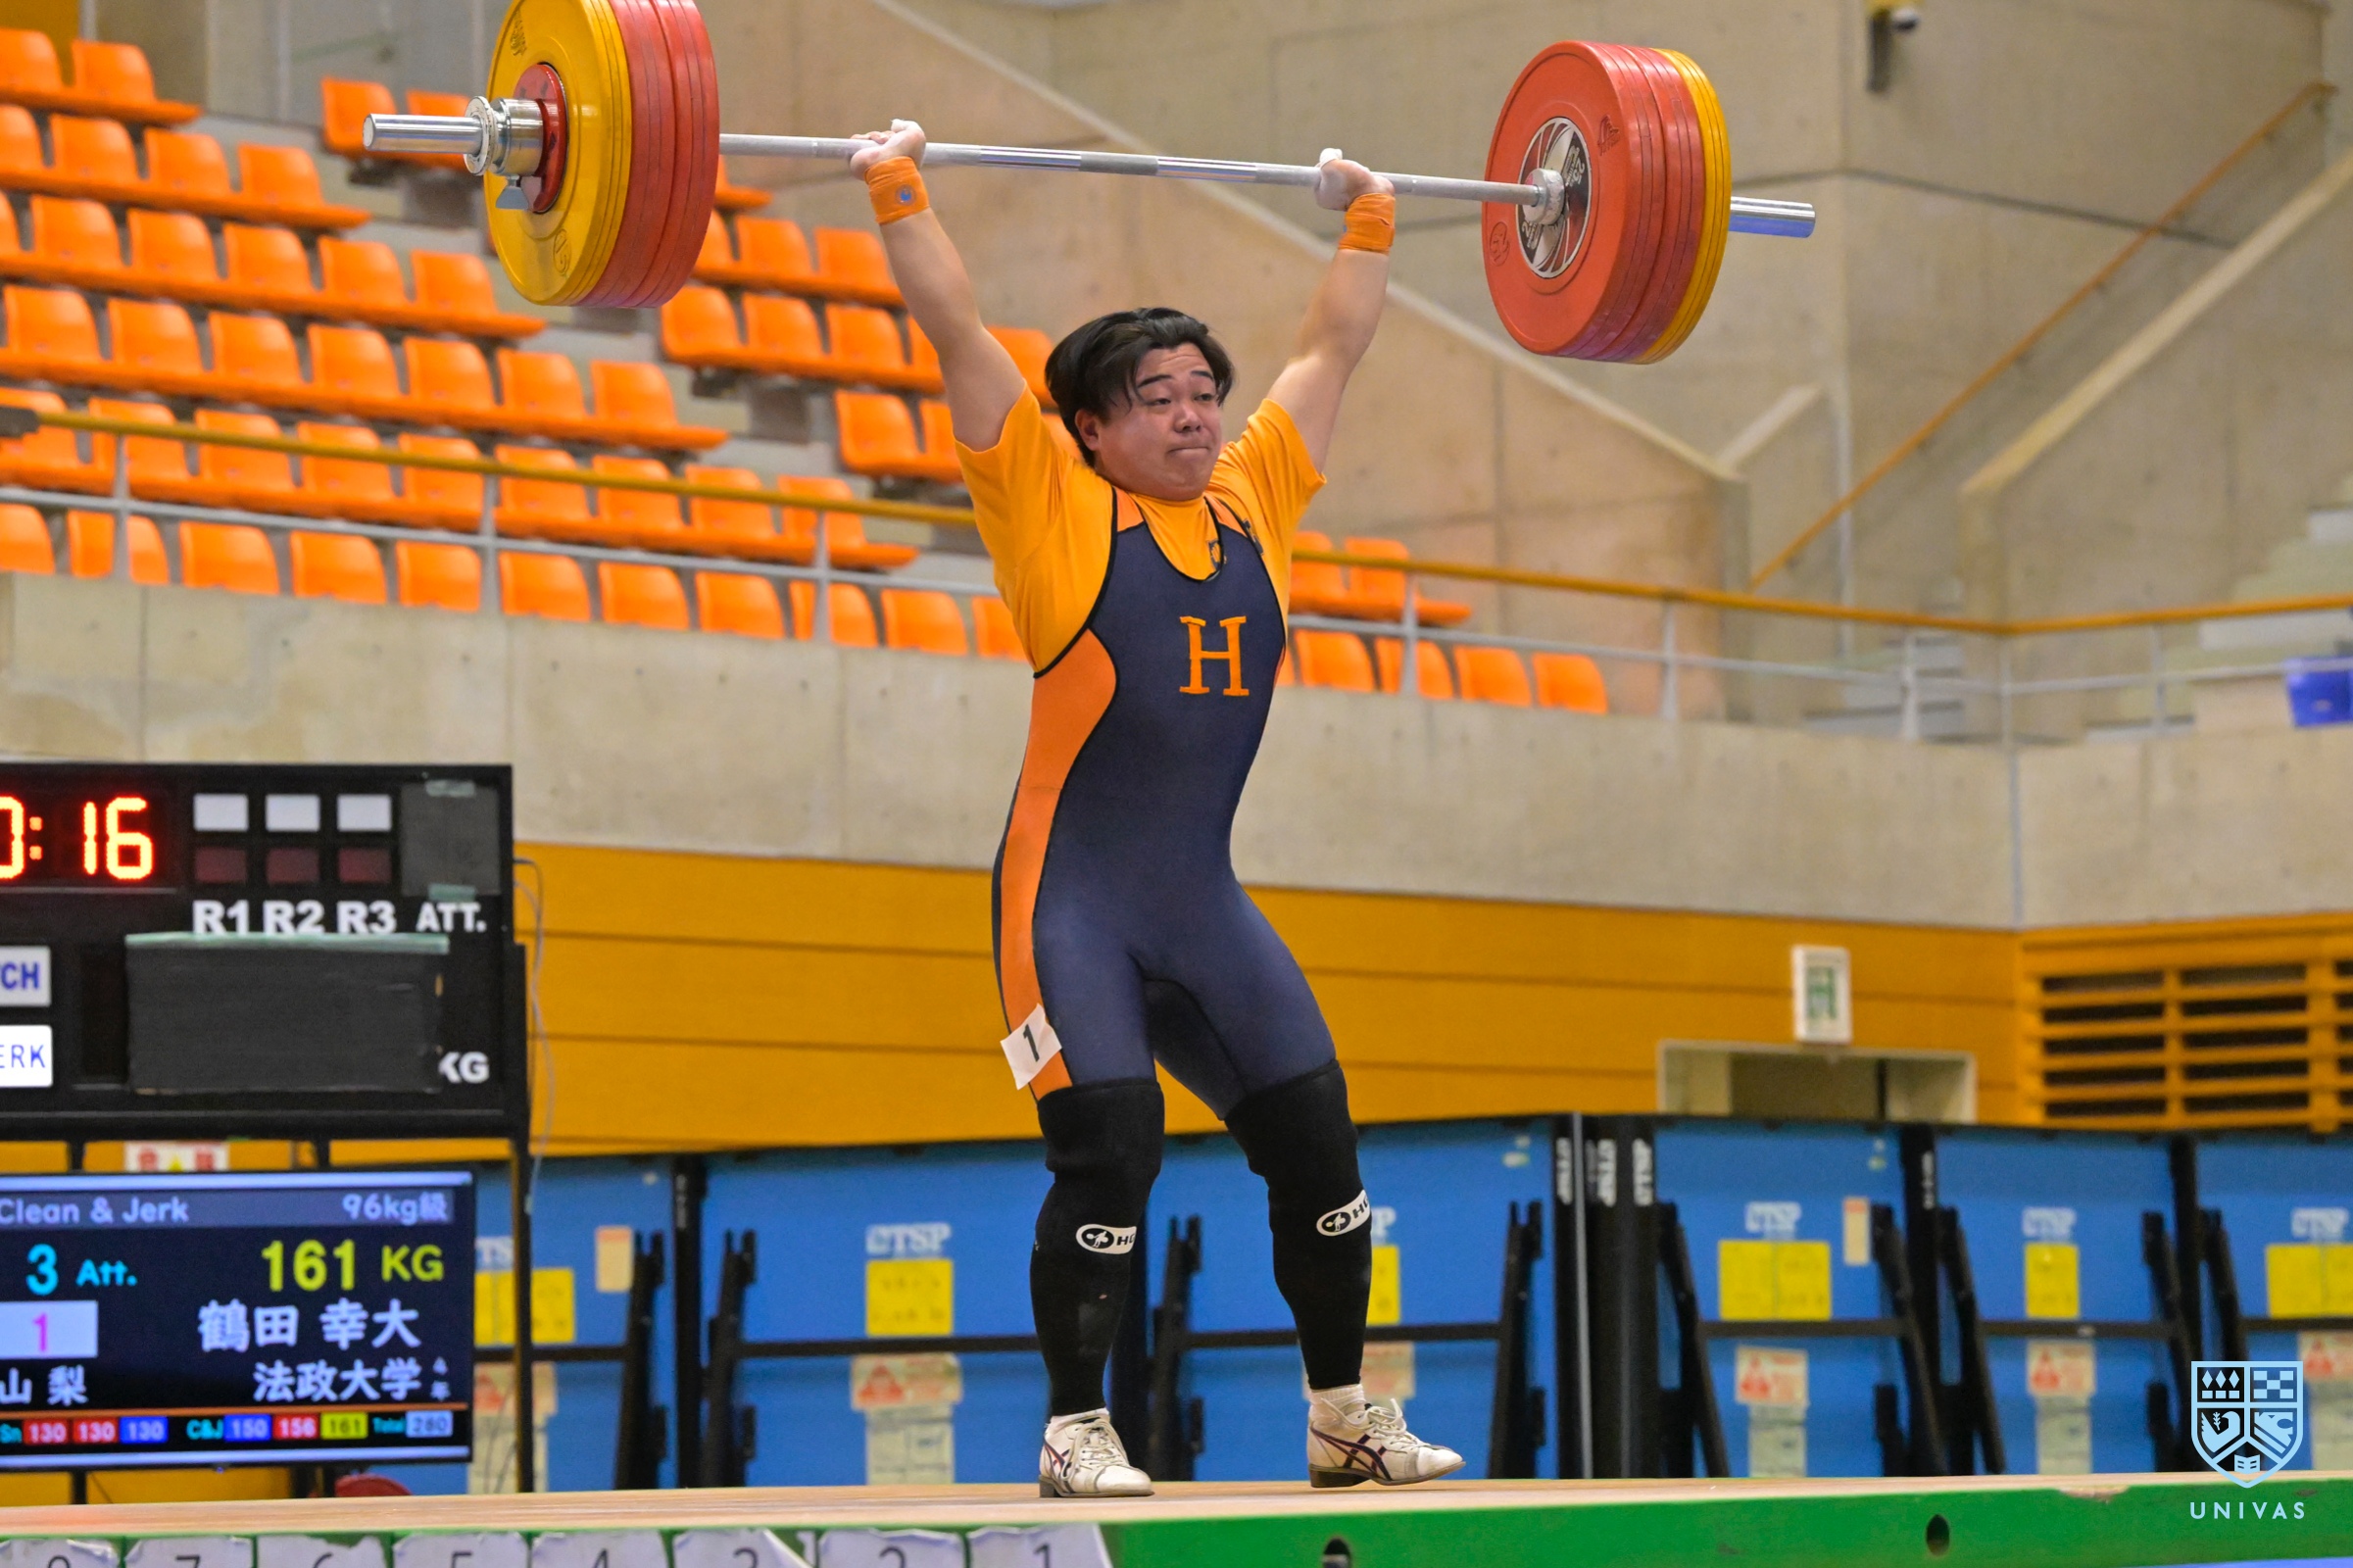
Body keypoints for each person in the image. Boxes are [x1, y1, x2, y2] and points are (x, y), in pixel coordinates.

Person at [851, 120, 1462, 1498]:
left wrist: (1371, 216)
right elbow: (954, 329)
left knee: (1321, 1151)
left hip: (1200, 904)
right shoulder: (1047, 506)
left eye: (1202, 392)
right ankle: (1076, 1429)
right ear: (1091, 426)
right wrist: (895, 184)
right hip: (1065, 903)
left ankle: (1342, 1420)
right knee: (1111, 1153)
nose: (1193, 416)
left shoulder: (1254, 500)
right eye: (1156, 398)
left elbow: (1331, 349)